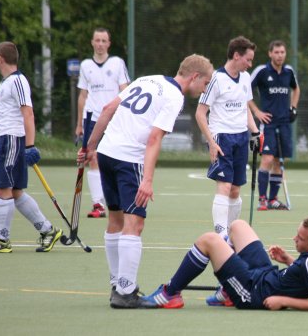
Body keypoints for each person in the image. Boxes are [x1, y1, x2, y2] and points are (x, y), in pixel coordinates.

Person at [81, 54, 214, 308]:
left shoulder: (147, 79)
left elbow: (108, 108)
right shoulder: (175, 97)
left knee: (115, 220)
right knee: (135, 224)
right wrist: (148, 180)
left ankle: (117, 284)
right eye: (205, 84)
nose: (204, 89)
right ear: (194, 77)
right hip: (129, 160)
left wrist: (90, 146)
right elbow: (154, 139)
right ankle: (125, 293)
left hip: (107, 152)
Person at [0, 41, 62, 253]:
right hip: (6, 138)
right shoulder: (5, 83)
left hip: (11, 139)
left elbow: (27, 112)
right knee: (16, 191)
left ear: (0, 58)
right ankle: (48, 231)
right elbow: (4, 110)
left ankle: (2, 239)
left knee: (3, 188)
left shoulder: (18, 81)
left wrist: (30, 145)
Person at [143, 213, 308, 311]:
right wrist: (288, 260)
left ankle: (171, 293)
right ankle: (228, 292)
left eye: (300, 238)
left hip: (252, 292)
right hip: (265, 275)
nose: (294, 239)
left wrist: (283, 301)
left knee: (209, 241)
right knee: (238, 225)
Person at [195, 36, 261, 241]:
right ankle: (220, 234)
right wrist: (211, 142)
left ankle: (232, 233)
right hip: (222, 137)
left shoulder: (245, 78)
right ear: (236, 55)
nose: (250, 64)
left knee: (235, 189)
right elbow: (200, 113)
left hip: (241, 137)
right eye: (247, 60)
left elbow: (245, 108)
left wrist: (256, 132)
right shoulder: (215, 78)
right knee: (223, 185)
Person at [76, 28, 130, 218]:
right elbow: (83, 96)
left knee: (114, 157)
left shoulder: (117, 63)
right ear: (92, 42)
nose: (100, 44)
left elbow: (125, 91)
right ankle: (98, 204)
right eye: (97, 40)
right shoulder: (85, 65)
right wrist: (79, 124)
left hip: (113, 118)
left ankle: (117, 199)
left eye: (103, 40)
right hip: (91, 118)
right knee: (92, 157)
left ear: (109, 43)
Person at [249, 40, 300, 210]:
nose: (279, 55)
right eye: (276, 52)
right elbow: (245, 90)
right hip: (268, 124)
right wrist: (257, 112)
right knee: (268, 159)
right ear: (270, 54)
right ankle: (262, 199)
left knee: (279, 161)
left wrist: (293, 108)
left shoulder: (288, 72)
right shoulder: (262, 71)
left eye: (282, 52)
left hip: (284, 122)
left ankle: (273, 199)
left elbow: (296, 89)